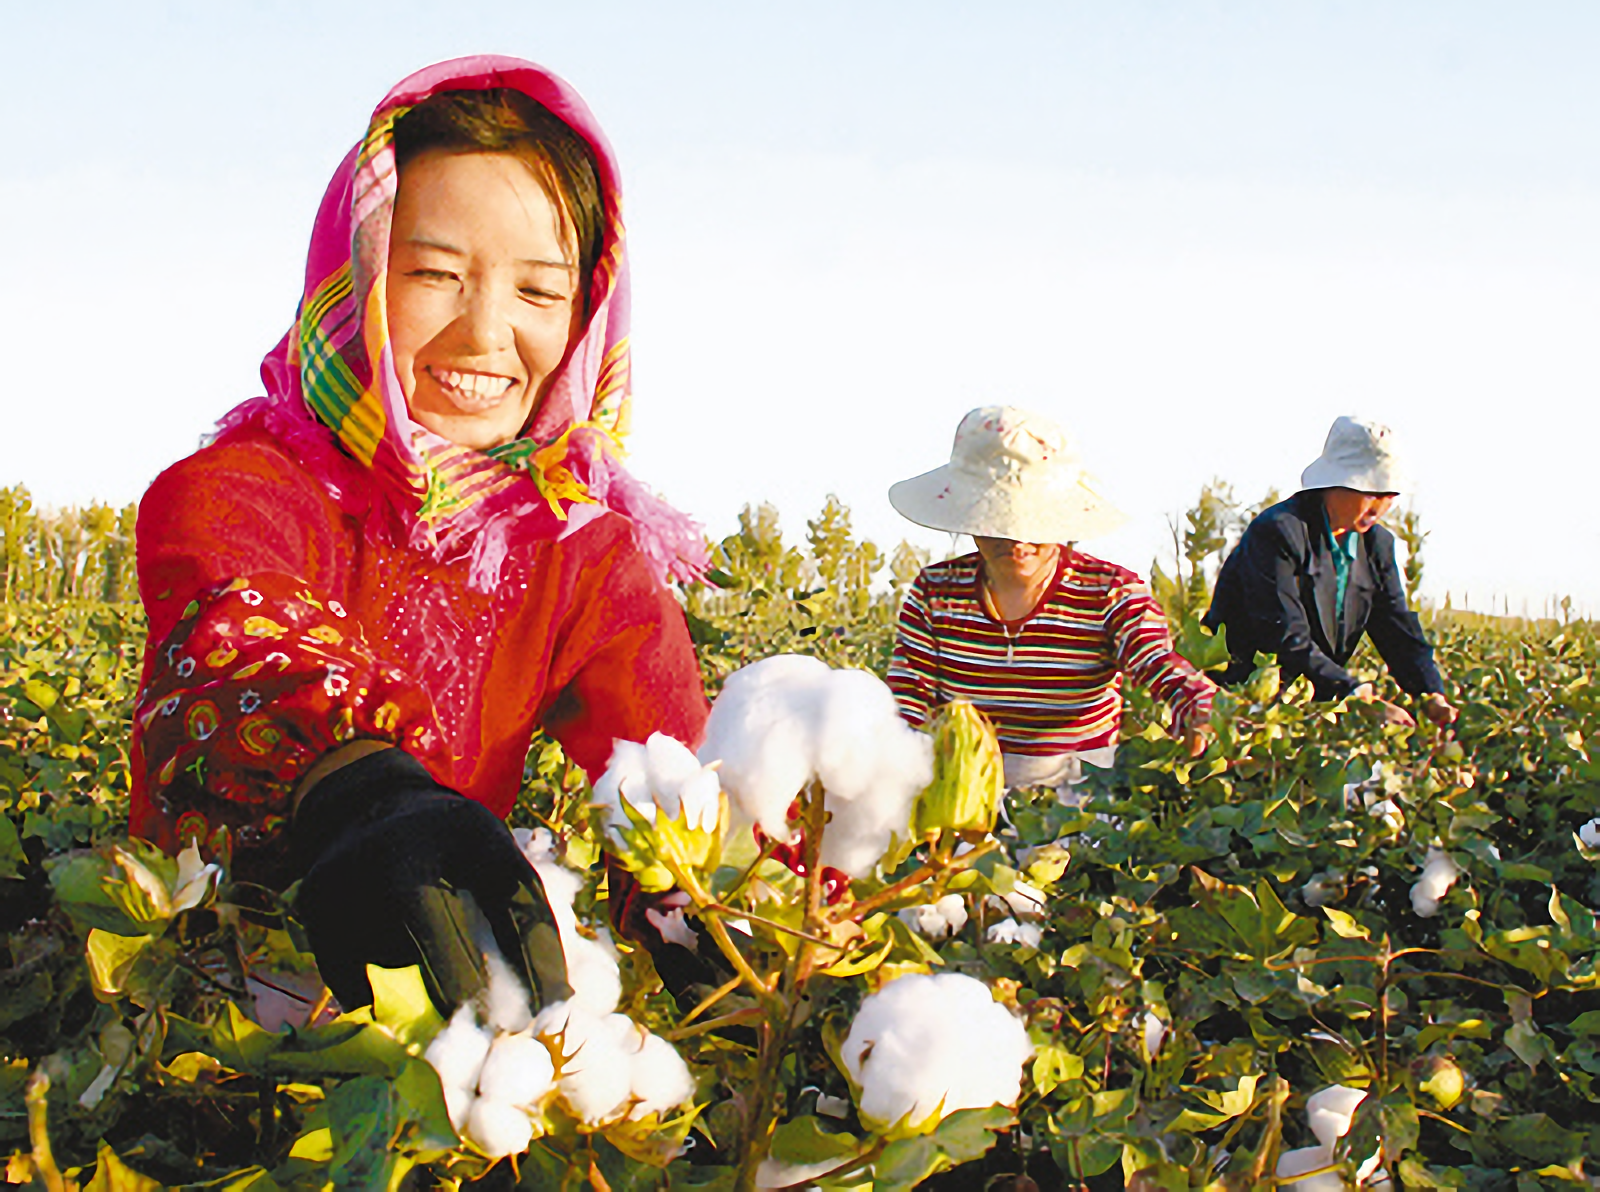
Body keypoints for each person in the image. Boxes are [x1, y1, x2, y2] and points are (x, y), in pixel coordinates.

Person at [130, 58, 713, 1017]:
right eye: (437, 274)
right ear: (356, 275)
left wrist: (726, 915)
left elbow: (674, 767)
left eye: (539, 291)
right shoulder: (252, 490)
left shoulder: (578, 555)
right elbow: (238, 622)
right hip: (217, 1000)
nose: (487, 331)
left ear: (586, 313)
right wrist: (353, 785)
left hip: (439, 1005)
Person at [886, 406, 1216, 801]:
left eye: (1031, 522)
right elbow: (908, 697)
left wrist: (1199, 709)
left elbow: (1157, 663)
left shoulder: (1110, 592)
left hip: (1079, 796)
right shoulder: (936, 592)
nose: (1016, 540)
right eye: (996, 522)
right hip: (958, 792)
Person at [1203, 415, 1457, 728]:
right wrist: (1356, 698)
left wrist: (1430, 692)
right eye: (1372, 493)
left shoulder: (1376, 546)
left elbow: (1396, 627)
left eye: (1389, 495)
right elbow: (1283, 635)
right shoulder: (1279, 532)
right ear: (1336, 483)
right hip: (1244, 703)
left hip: (1312, 706)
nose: (1380, 506)